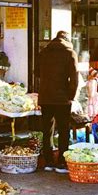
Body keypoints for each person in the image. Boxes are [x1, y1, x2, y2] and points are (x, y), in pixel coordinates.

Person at [38, 31, 79, 173]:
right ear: (67, 39)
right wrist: (71, 96)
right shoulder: (70, 53)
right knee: (63, 130)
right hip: (62, 98)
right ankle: (62, 162)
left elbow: (36, 72)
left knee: (47, 130)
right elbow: (74, 79)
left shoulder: (44, 52)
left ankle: (48, 162)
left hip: (45, 96)